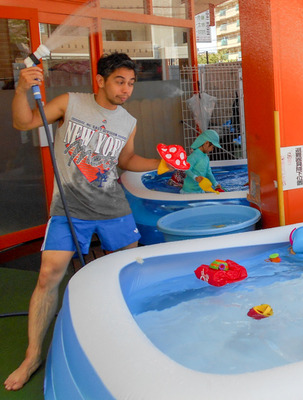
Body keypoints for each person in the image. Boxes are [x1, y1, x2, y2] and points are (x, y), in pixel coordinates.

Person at [5, 53, 163, 391]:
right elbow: (24, 123)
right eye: (119, 81)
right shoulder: (70, 103)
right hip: (69, 209)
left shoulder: (128, 121)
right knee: (48, 275)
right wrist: (21, 89)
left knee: (127, 271)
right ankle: (33, 356)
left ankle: (125, 336)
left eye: (131, 83)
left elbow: (126, 160)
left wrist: (161, 164)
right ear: (100, 80)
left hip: (113, 208)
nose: (126, 89)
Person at [181, 129, 223, 193]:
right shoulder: (194, 156)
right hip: (189, 191)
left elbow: (208, 173)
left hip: (200, 190)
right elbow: (186, 169)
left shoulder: (206, 158)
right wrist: (195, 177)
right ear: (206, 143)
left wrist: (215, 184)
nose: (212, 149)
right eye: (212, 147)